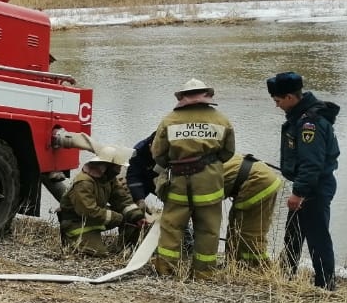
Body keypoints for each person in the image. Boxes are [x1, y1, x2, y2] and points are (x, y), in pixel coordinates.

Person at [151, 78, 236, 279]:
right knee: (208, 229)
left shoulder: (170, 120)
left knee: (172, 227)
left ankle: (166, 270)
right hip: (209, 182)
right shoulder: (221, 120)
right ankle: (204, 273)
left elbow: (158, 154)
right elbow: (228, 153)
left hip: (178, 182)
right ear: (206, 95)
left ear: (183, 97)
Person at [267, 71, 340, 290]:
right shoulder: (301, 117)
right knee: (293, 233)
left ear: (290, 97)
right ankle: (286, 275)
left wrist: (298, 193)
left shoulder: (310, 124)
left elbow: (312, 164)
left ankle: (326, 284)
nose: (277, 105)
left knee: (317, 237)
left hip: (314, 188)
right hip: (308, 184)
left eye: (278, 101)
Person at [57, 146, 146, 255]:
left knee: (131, 217)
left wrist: (136, 216)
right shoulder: (84, 183)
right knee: (98, 253)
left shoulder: (108, 179)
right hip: (76, 222)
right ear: (105, 167)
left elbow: (122, 198)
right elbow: (89, 212)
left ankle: (124, 250)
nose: (118, 171)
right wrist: (119, 218)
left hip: (94, 217)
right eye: (117, 167)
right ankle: (70, 240)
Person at [222, 153, 282, 266]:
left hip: (258, 182)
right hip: (259, 176)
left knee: (249, 232)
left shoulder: (193, 174)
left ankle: (259, 267)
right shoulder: (206, 159)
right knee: (235, 225)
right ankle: (234, 264)